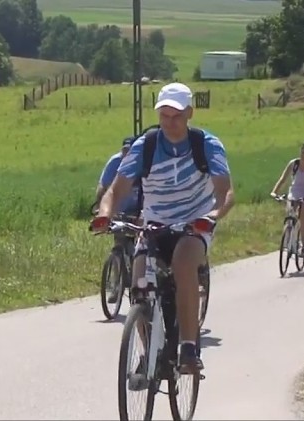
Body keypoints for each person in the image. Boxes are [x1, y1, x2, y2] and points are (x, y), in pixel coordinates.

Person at [91, 82, 234, 374]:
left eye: (177, 116)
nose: (170, 122)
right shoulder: (147, 145)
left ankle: (188, 348)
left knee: (183, 264)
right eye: (164, 115)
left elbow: (226, 191)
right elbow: (116, 190)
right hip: (154, 223)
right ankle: (149, 353)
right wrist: (105, 214)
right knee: (139, 282)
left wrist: (215, 213)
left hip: (196, 221)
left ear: (189, 113)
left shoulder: (205, 144)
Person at [94, 137, 141, 304]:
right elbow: (103, 186)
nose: (126, 154)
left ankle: (139, 285)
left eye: (130, 151)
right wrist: (100, 209)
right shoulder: (115, 162)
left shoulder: (143, 161)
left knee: (140, 248)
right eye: (124, 151)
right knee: (118, 244)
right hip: (119, 209)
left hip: (138, 209)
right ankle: (116, 285)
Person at [270, 143, 304, 257]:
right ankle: (288, 235)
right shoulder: (294, 164)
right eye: (302, 152)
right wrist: (274, 191)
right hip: (295, 191)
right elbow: (283, 178)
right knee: (290, 212)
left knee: (303, 217)